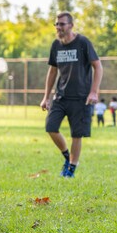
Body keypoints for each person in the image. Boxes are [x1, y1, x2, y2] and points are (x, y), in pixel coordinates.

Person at [40, 11, 103, 178]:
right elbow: (52, 71)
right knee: (51, 127)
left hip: (81, 98)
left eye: (62, 24)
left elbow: (98, 66)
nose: (58, 27)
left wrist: (93, 92)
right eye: (57, 24)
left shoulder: (82, 42)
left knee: (77, 134)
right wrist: (46, 96)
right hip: (61, 97)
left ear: (71, 25)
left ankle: (71, 170)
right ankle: (68, 157)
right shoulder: (56, 45)